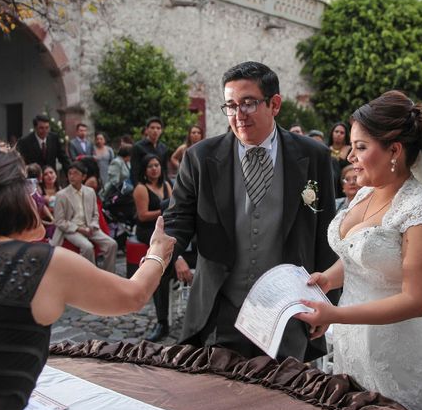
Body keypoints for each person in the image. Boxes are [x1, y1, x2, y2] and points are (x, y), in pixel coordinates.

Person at [295, 91, 422, 410]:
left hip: (399, 353)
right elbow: (358, 254)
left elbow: (416, 300)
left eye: (361, 147)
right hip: (352, 343)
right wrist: (328, 278)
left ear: (394, 150)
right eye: (351, 146)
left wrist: (333, 316)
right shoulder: (366, 192)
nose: (350, 156)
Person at [0, 143, 176, 410]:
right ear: (6, 198)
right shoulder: (37, 264)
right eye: (28, 186)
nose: (36, 195)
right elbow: (133, 295)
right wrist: (157, 253)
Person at [164, 61, 337, 361]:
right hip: (222, 310)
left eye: (248, 103)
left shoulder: (314, 156)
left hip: (289, 313)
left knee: (283, 400)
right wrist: (158, 256)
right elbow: (177, 221)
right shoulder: (201, 158)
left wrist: (328, 303)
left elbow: (326, 235)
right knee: (219, 399)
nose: (238, 115)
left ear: (275, 104)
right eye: (230, 105)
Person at [133, 155, 184, 341]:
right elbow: (143, 215)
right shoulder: (140, 188)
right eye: (150, 166)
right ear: (144, 170)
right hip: (148, 229)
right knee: (161, 264)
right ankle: (162, 321)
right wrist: (164, 210)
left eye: (157, 165)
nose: (154, 169)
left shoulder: (167, 185)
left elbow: (175, 210)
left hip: (168, 226)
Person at [50, 161, 118, 273]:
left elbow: (95, 214)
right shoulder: (62, 195)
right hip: (71, 229)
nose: (72, 176)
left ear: (84, 176)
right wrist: (79, 229)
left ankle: (109, 274)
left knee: (112, 244)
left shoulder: (90, 192)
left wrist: (92, 225)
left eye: (75, 173)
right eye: (70, 173)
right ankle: (90, 276)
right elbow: (59, 221)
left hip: (89, 226)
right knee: (87, 247)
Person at [131, 117, 168, 186]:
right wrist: (138, 186)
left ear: (161, 131)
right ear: (147, 130)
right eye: (152, 128)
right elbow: (134, 171)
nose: (155, 130)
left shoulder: (163, 148)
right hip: (143, 185)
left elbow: (164, 169)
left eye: (158, 128)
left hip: (159, 186)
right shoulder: (138, 147)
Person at [328, 122, 352, 197]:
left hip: (346, 184)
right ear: (332, 133)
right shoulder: (325, 149)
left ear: (345, 136)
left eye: (342, 133)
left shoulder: (350, 150)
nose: (338, 134)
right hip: (330, 184)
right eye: (336, 131)